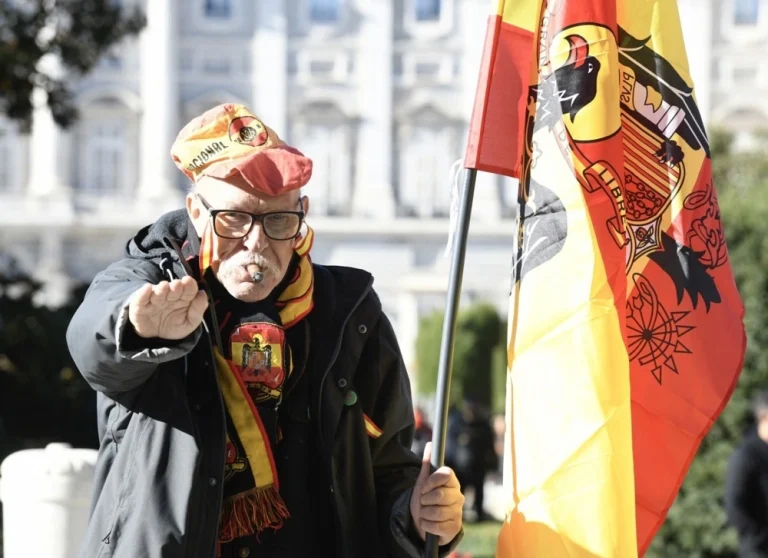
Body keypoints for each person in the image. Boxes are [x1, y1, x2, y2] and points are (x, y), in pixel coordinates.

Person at [67, 103, 464, 558]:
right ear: (196, 211)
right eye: (234, 219)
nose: (256, 242)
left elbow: (388, 469)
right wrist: (137, 326)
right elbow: (93, 341)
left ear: (302, 215)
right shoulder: (151, 284)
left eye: (278, 221)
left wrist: (416, 515)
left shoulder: (350, 313)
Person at [725, 391, 768, 557]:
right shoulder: (745, 455)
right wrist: (757, 535)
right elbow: (734, 503)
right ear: (763, 418)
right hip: (758, 549)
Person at [450, 399, 497, 522]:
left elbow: (489, 445)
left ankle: (479, 514)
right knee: (460, 492)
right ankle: (459, 516)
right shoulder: (457, 424)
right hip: (461, 466)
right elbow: (450, 444)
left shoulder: (483, 425)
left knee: (479, 492)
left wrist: (491, 461)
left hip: (478, 465)